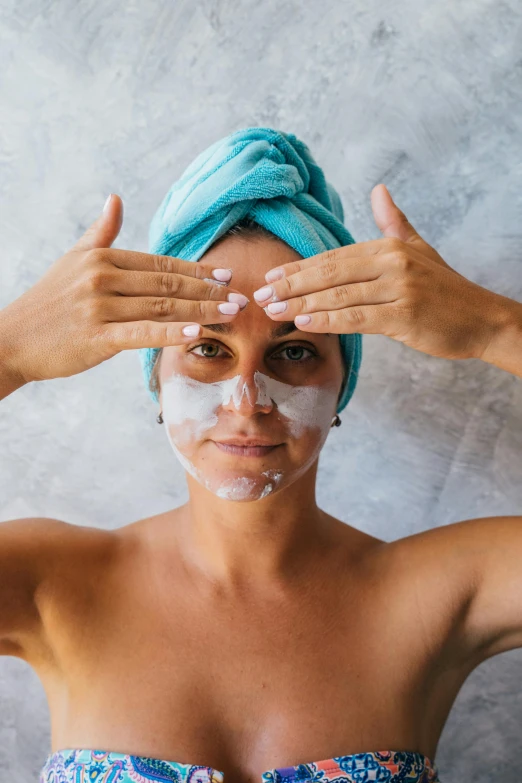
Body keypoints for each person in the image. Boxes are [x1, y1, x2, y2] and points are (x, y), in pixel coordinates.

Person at [1, 128, 522, 783]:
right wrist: (10, 350)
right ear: (155, 377)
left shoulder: (438, 594)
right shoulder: (52, 585)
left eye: (295, 350)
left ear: (342, 382)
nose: (247, 400)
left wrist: (496, 328)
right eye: (209, 349)